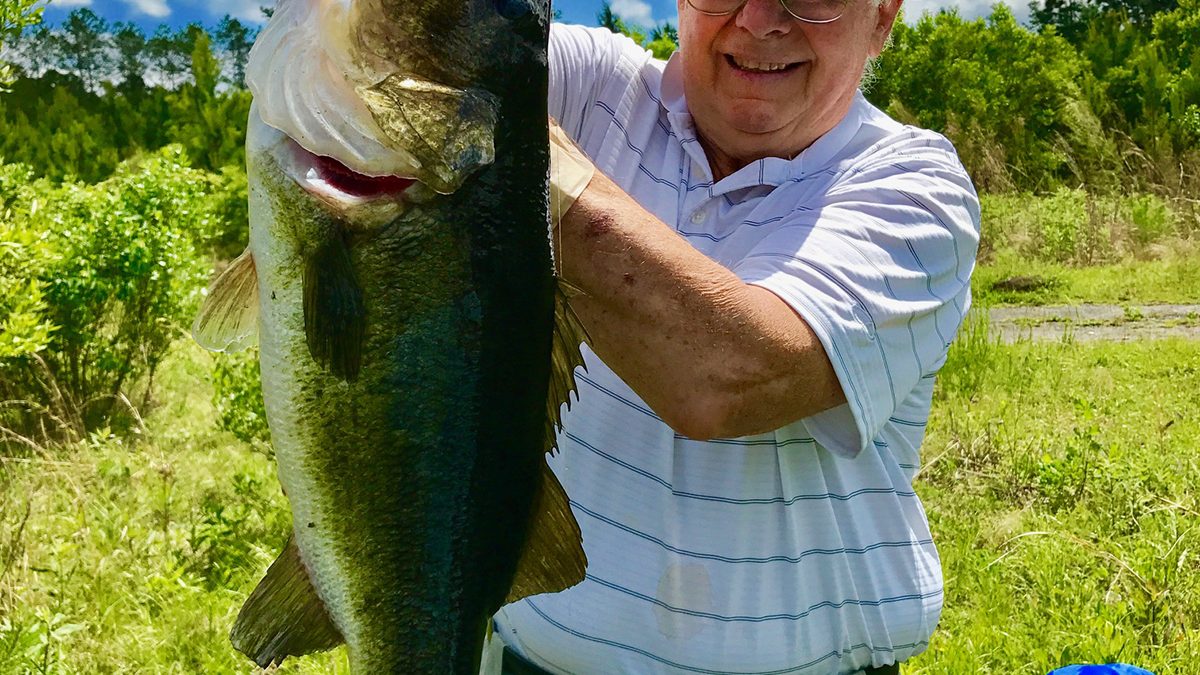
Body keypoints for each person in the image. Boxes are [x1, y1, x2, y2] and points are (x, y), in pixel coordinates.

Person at [492, 0, 981, 672]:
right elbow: (396, 39)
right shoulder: (591, 85)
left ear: (882, 18)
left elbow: (724, 379)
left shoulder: (915, 185)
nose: (759, 19)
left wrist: (486, 126)